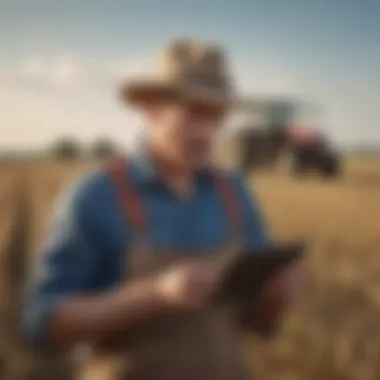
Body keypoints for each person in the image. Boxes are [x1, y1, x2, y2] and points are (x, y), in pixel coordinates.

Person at [23, 39, 301, 380]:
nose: (205, 132)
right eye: (194, 112)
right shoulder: (94, 197)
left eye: (216, 115)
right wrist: (154, 296)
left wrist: (275, 302)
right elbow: (44, 323)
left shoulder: (235, 193)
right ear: (152, 108)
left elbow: (256, 320)